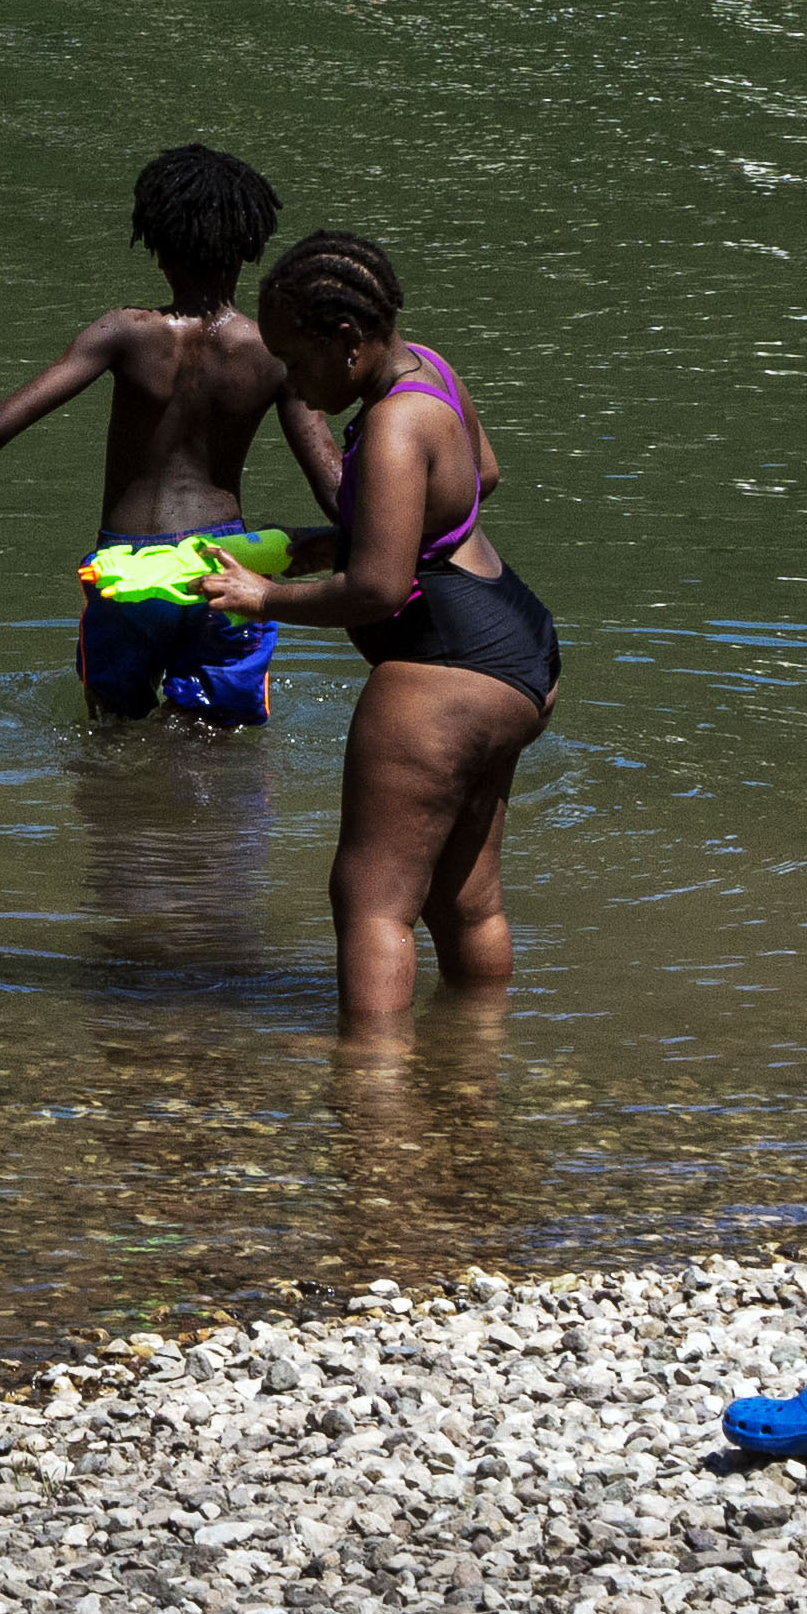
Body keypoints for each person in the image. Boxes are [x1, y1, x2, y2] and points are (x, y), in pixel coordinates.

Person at [192, 230, 558, 1025]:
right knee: (465, 895)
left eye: (297, 360)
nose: (290, 379)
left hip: (443, 671)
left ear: (347, 341)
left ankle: (371, 1087)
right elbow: (478, 475)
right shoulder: (431, 370)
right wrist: (368, 522)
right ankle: (473, 1056)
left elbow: (378, 590)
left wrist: (263, 596)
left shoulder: (390, 426)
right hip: (517, 648)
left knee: (371, 901)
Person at [0, 144, 337, 725]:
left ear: (155, 248)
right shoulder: (273, 354)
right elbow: (333, 482)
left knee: (112, 728)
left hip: (123, 568)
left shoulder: (124, 333)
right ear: (251, 248)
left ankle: (119, 814)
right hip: (223, 564)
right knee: (209, 738)